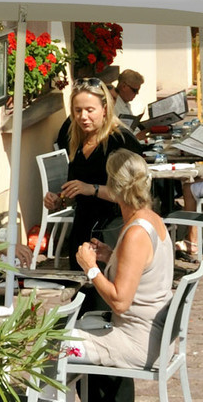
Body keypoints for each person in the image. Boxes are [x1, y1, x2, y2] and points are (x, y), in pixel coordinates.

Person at [68, 149, 175, 402]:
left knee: (52, 347)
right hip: (152, 334)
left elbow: (120, 301)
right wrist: (110, 255)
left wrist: (91, 268)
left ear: (113, 186)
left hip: (136, 341)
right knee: (64, 336)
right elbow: (142, 268)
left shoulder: (136, 233)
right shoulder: (151, 219)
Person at [42, 80, 135, 265]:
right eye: (78, 110)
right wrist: (59, 199)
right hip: (82, 230)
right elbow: (76, 190)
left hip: (113, 231)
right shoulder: (76, 140)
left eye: (90, 110)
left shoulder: (121, 141)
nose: (83, 116)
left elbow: (132, 195)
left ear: (105, 109)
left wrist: (92, 189)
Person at [112, 70, 148, 143]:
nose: (137, 93)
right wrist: (138, 137)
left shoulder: (125, 103)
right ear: (124, 86)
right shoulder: (115, 105)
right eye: (135, 90)